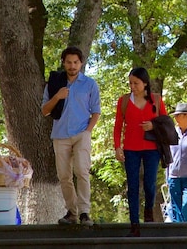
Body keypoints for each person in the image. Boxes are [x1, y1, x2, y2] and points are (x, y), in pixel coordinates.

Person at [41, 46, 102, 225]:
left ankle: (84, 212)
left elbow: (96, 111)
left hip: (82, 133)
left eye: (75, 62)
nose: (72, 66)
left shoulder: (90, 84)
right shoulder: (54, 83)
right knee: (64, 176)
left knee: (82, 171)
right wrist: (58, 96)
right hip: (60, 135)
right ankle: (72, 212)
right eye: (69, 62)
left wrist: (87, 132)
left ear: (81, 63)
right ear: (64, 63)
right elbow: (45, 110)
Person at [114, 67, 167, 236]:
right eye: (130, 83)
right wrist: (117, 146)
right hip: (130, 149)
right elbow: (117, 126)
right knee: (133, 186)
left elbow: (166, 122)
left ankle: (149, 210)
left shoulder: (156, 100)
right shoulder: (123, 101)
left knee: (150, 185)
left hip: (152, 148)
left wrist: (153, 125)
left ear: (145, 83)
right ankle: (134, 223)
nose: (132, 86)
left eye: (136, 83)